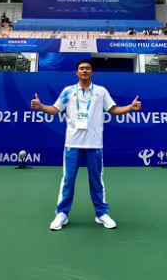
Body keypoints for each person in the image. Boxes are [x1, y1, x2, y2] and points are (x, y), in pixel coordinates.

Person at [31, 59, 142, 231]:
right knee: (68, 180)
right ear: (77, 72)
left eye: (88, 68)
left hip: (94, 144)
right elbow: (55, 109)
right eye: (81, 68)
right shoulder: (68, 91)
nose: (84, 71)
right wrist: (41, 106)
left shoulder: (101, 91)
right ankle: (62, 214)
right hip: (72, 143)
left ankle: (101, 213)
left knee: (97, 180)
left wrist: (130, 107)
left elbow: (114, 110)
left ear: (92, 72)